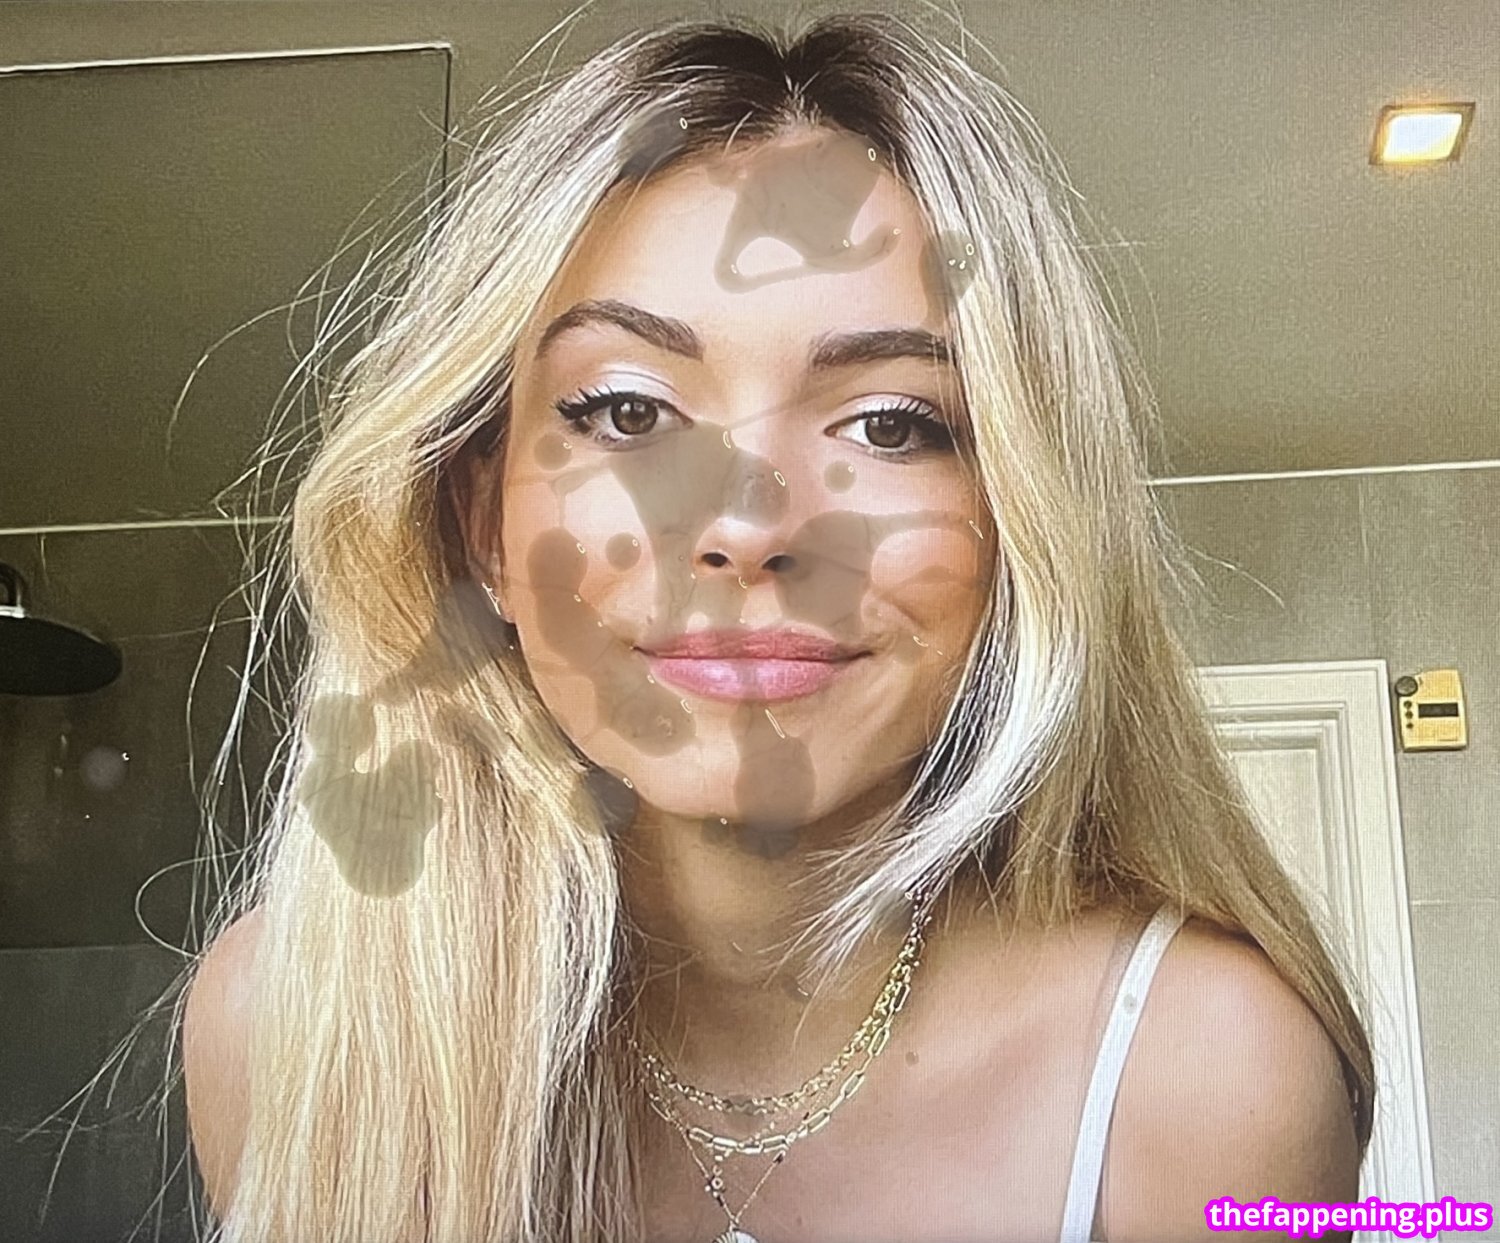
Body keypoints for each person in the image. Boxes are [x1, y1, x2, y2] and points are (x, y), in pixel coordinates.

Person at [181, 11, 1373, 1243]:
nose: (748, 526)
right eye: (628, 411)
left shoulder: (1212, 1075)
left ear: (1019, 521)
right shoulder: (286, 1032)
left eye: (892, 424)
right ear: (483, 522)